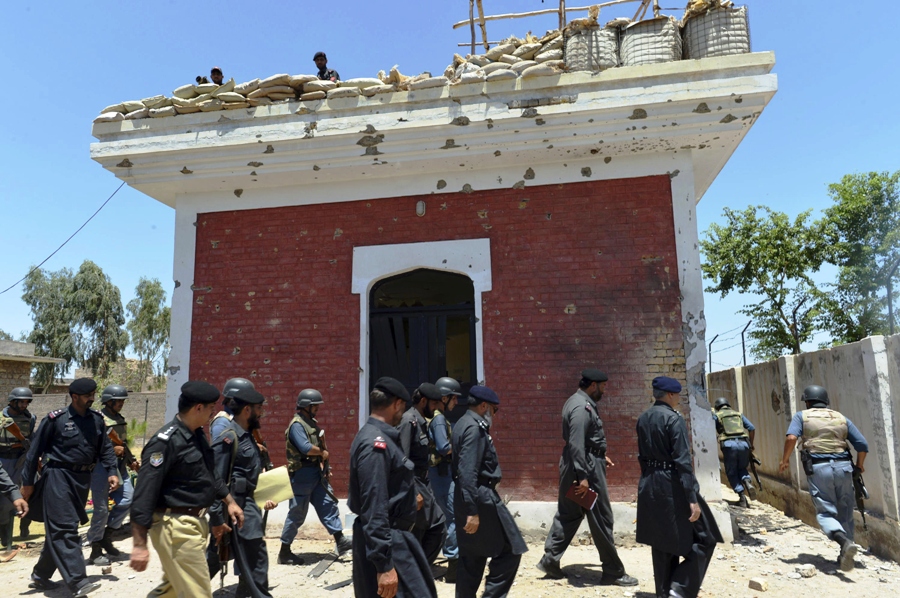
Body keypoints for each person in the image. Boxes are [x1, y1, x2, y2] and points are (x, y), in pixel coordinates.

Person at [129, 380, 244, 598]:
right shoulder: (165, 442)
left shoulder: (197, 435)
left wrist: (230, 502)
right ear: (198, 408)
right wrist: (139, 544)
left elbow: (210, 476)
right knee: (197, 593)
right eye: (211, 408)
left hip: (194, 524)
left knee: (171, 590)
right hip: (175, 526)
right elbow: (144, 494)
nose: (214, 413)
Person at [538, 369, 637, 586]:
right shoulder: (582, 407)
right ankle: (613, 571)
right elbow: (576, 441)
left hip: (581, 462)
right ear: (593, 385)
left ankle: (550, 560)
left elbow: (584, 440)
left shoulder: (574, 401)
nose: (604, 390)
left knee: (569, 515)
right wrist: (583, 475)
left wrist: (602, 455)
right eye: (602, 386)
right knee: (602, 517)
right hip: (585, 469)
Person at [21, 378, 119, 596]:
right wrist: (27, 483)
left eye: (93, 394)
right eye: (87, 395)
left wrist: (112, 471)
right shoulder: (55, 419)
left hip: (82, 480)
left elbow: (106, 449)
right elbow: (33, 453)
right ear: (74, 397)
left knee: (60, 528)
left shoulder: (96, 420)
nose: (92, 398)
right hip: (57, 476)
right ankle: (78, 580)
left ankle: (40, 575)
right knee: (65, 528)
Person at [348, 377, 437, 598]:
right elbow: (374, 504)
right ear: (397, 403)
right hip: (387, 541)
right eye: (403, 406)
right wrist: (384, 565)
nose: (403, 412)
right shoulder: (375, 445)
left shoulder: (378, 436)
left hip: (393, 538)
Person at [636, 377, 722, 598]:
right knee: (706, 537)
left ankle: (665, 592)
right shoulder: (674, 420)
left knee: (662, 541)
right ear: (671, 395)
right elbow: (682, 462)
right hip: (673, 483)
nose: (678, 400)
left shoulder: (643, 418)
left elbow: (642, 456)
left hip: (650, 482)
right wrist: (692, 498)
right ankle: (680, 586)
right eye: (678, 396)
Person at [779, 385, 868, 571]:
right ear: (826, 401)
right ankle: (846, 551)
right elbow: (862, 444)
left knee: (825, 511)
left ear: (808, 401)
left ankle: (843, 543)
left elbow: (791, 438)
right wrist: (859, 465)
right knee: (845, 510)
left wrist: (785, 460)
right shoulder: (841, 417)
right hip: (844, 467)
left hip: (819, 468)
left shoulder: (801, 416)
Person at [453, 385, 527, 598]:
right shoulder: (475, 428)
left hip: (467, 495)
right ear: (484, 406)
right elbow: (467, 471)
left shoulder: (461, 423)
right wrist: (472, 510)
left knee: (472, 556)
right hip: (480, 496)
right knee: (511, 549)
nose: (495, 415)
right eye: (495, 410)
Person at [208, 386, 276, 598]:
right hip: (237, 509)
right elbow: (216, 479)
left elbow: (251, 477)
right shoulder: (229, 437)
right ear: (247, 409)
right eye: (259, 409)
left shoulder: (247, 437)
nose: (261, 413)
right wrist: (218, 518)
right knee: (255, 559)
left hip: (248, 504)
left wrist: (267, 496)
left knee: (220, 559)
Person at [278, 388, 350, 565]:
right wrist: (323, 453)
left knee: (328, 504)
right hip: (301, 475)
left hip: (316, 474)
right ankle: (284, 551)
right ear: (306, 406)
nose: (317, 409)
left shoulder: (310, 423)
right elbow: (305, 448)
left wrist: (324, 464)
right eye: (314, 406)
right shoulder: (297, 425)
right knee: (297, 514)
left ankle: (340, 540)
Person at [87, 384, 139, 565]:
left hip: (121, 467)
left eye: (122, 401)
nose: (121, 404)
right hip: (102, 468)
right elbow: (90, 445)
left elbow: (122, 444)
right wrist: (110, 449)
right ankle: (95, 549)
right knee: (100, 509)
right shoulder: (97, 419)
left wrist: (131, 459)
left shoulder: (119, 419)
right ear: (108, 401)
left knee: (128, 499)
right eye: (118, 401)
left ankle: (106, 535)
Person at [398, 383, 447, 565]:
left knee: (424, 528)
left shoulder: (420, 422)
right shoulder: (408, 421)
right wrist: (413, 490)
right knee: (436, 525)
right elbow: (402, 459)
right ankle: (417, 569)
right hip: (414, 482)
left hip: (423, 481)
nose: (435, 409)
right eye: (434, 404)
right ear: (423, 401)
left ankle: (416, 568)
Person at [429, 376, 460, 581]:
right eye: (454, 398)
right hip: (441, 473)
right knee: (453, 517)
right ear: (444, 397)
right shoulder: (439, 418)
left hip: (437, 473)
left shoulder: (433, 416)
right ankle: (454, 567)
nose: (457, 402)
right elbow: (443, 448)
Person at [0, 386, 36, 545]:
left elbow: (32, 438)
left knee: (28, 493)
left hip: (22, 460)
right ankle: (4, 534)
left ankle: (21, 527)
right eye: (21, 402)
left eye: (27, 402)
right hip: (3, 460)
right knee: (5, 500)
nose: (24, 405)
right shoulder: (2, 419)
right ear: (12, 402)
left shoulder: (30, 418)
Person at [712, 397, 756, 508]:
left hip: (729, 445)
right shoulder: (738, 414)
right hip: (744, 444)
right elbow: (751, 427)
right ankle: (747, 481)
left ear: (717, 407)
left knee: (731, 471)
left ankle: (741, 496)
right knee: (742, 468)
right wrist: (751, 444)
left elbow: (710, 428)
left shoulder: (717, 415)